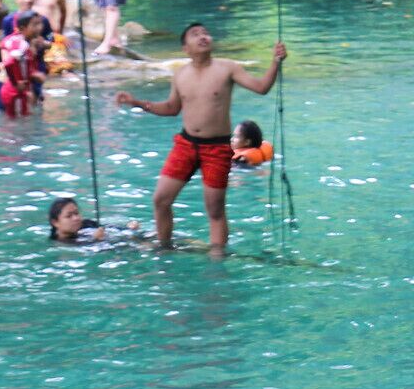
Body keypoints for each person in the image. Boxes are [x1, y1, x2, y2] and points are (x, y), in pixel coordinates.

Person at [114, 22, 287, 252]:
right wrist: (137, 103)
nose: (203, 36)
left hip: (216, 147)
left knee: (215, 209)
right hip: (186, 144)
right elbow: (171, 108)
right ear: (186, 48)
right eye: (195, 35)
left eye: (205, 32)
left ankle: (217, 258)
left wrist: (275, 62)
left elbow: (262, 87)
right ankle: (164, 248)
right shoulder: (181, 75)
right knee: (161, 200)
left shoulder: (228, 68)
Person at [0, 13, 46, 116]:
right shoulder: (20, 44)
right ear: (22, 28)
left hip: (18, 88)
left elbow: (24, 66)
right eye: (35, 24)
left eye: (40, 24)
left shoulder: (26, 42)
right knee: (18, 122)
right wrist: (16, 83)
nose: (39, 28)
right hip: (14, 90)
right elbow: (8, 63)